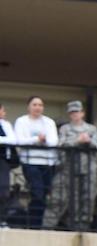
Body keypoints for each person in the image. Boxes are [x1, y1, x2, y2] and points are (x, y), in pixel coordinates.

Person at [47, 101, 97, 232]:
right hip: (69, 169)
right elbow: (60, 146)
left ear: (82, 113)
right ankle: (70, 226)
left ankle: (83, 227)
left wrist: (89, 141)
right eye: (72, 112)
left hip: (89, 168)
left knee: (88, 198)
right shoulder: (65, 129)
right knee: (70, 199)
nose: (75, 114)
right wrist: (77, 141)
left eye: (77, 112)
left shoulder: (91, 129)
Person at [14, 97, 61, 226]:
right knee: (37, 190)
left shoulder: (49, 122)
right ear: (29, 107)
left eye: (40, 105)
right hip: (30, 162)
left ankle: (37, 222)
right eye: (34, 104)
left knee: (44, 192)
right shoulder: (22, 121)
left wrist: (43, 140)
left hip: (48, 163)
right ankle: (34, 222)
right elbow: (19, 141)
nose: (37, 107)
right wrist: (36, 139)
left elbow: (54, 141)